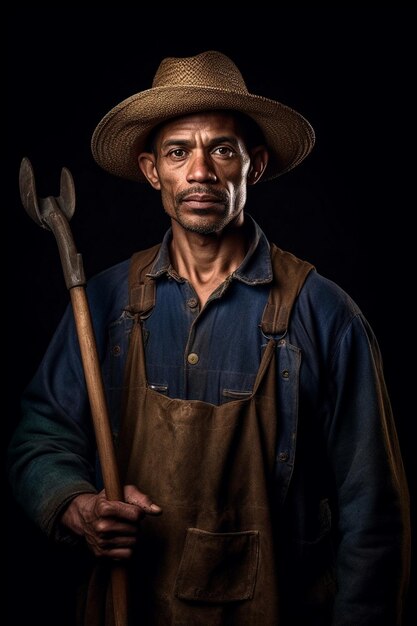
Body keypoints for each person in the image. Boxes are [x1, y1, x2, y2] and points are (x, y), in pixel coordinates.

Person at [8, 50, 410, 626]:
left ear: (256, 166)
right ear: (153, 172)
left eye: (223, 149)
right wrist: (75, 505)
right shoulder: (102, 304)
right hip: (129, 608)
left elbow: (372, 515)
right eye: (178, 152)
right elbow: (37, 436)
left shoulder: (324, 315)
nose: (200, 171)